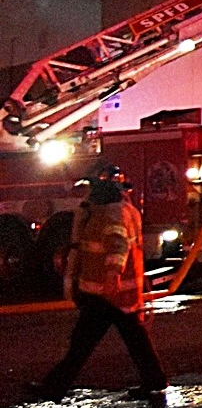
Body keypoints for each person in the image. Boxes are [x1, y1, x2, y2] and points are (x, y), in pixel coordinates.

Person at [30, 165, 168, 403]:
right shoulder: (126, 210)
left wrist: (112, 275)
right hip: (123, 293)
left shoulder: (109, 213)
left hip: (105, 292)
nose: (88, 194)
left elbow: (117, 245)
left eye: (91, 187)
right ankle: (155, 382)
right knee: (136, 340)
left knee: (81, 344)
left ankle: (52, 388)